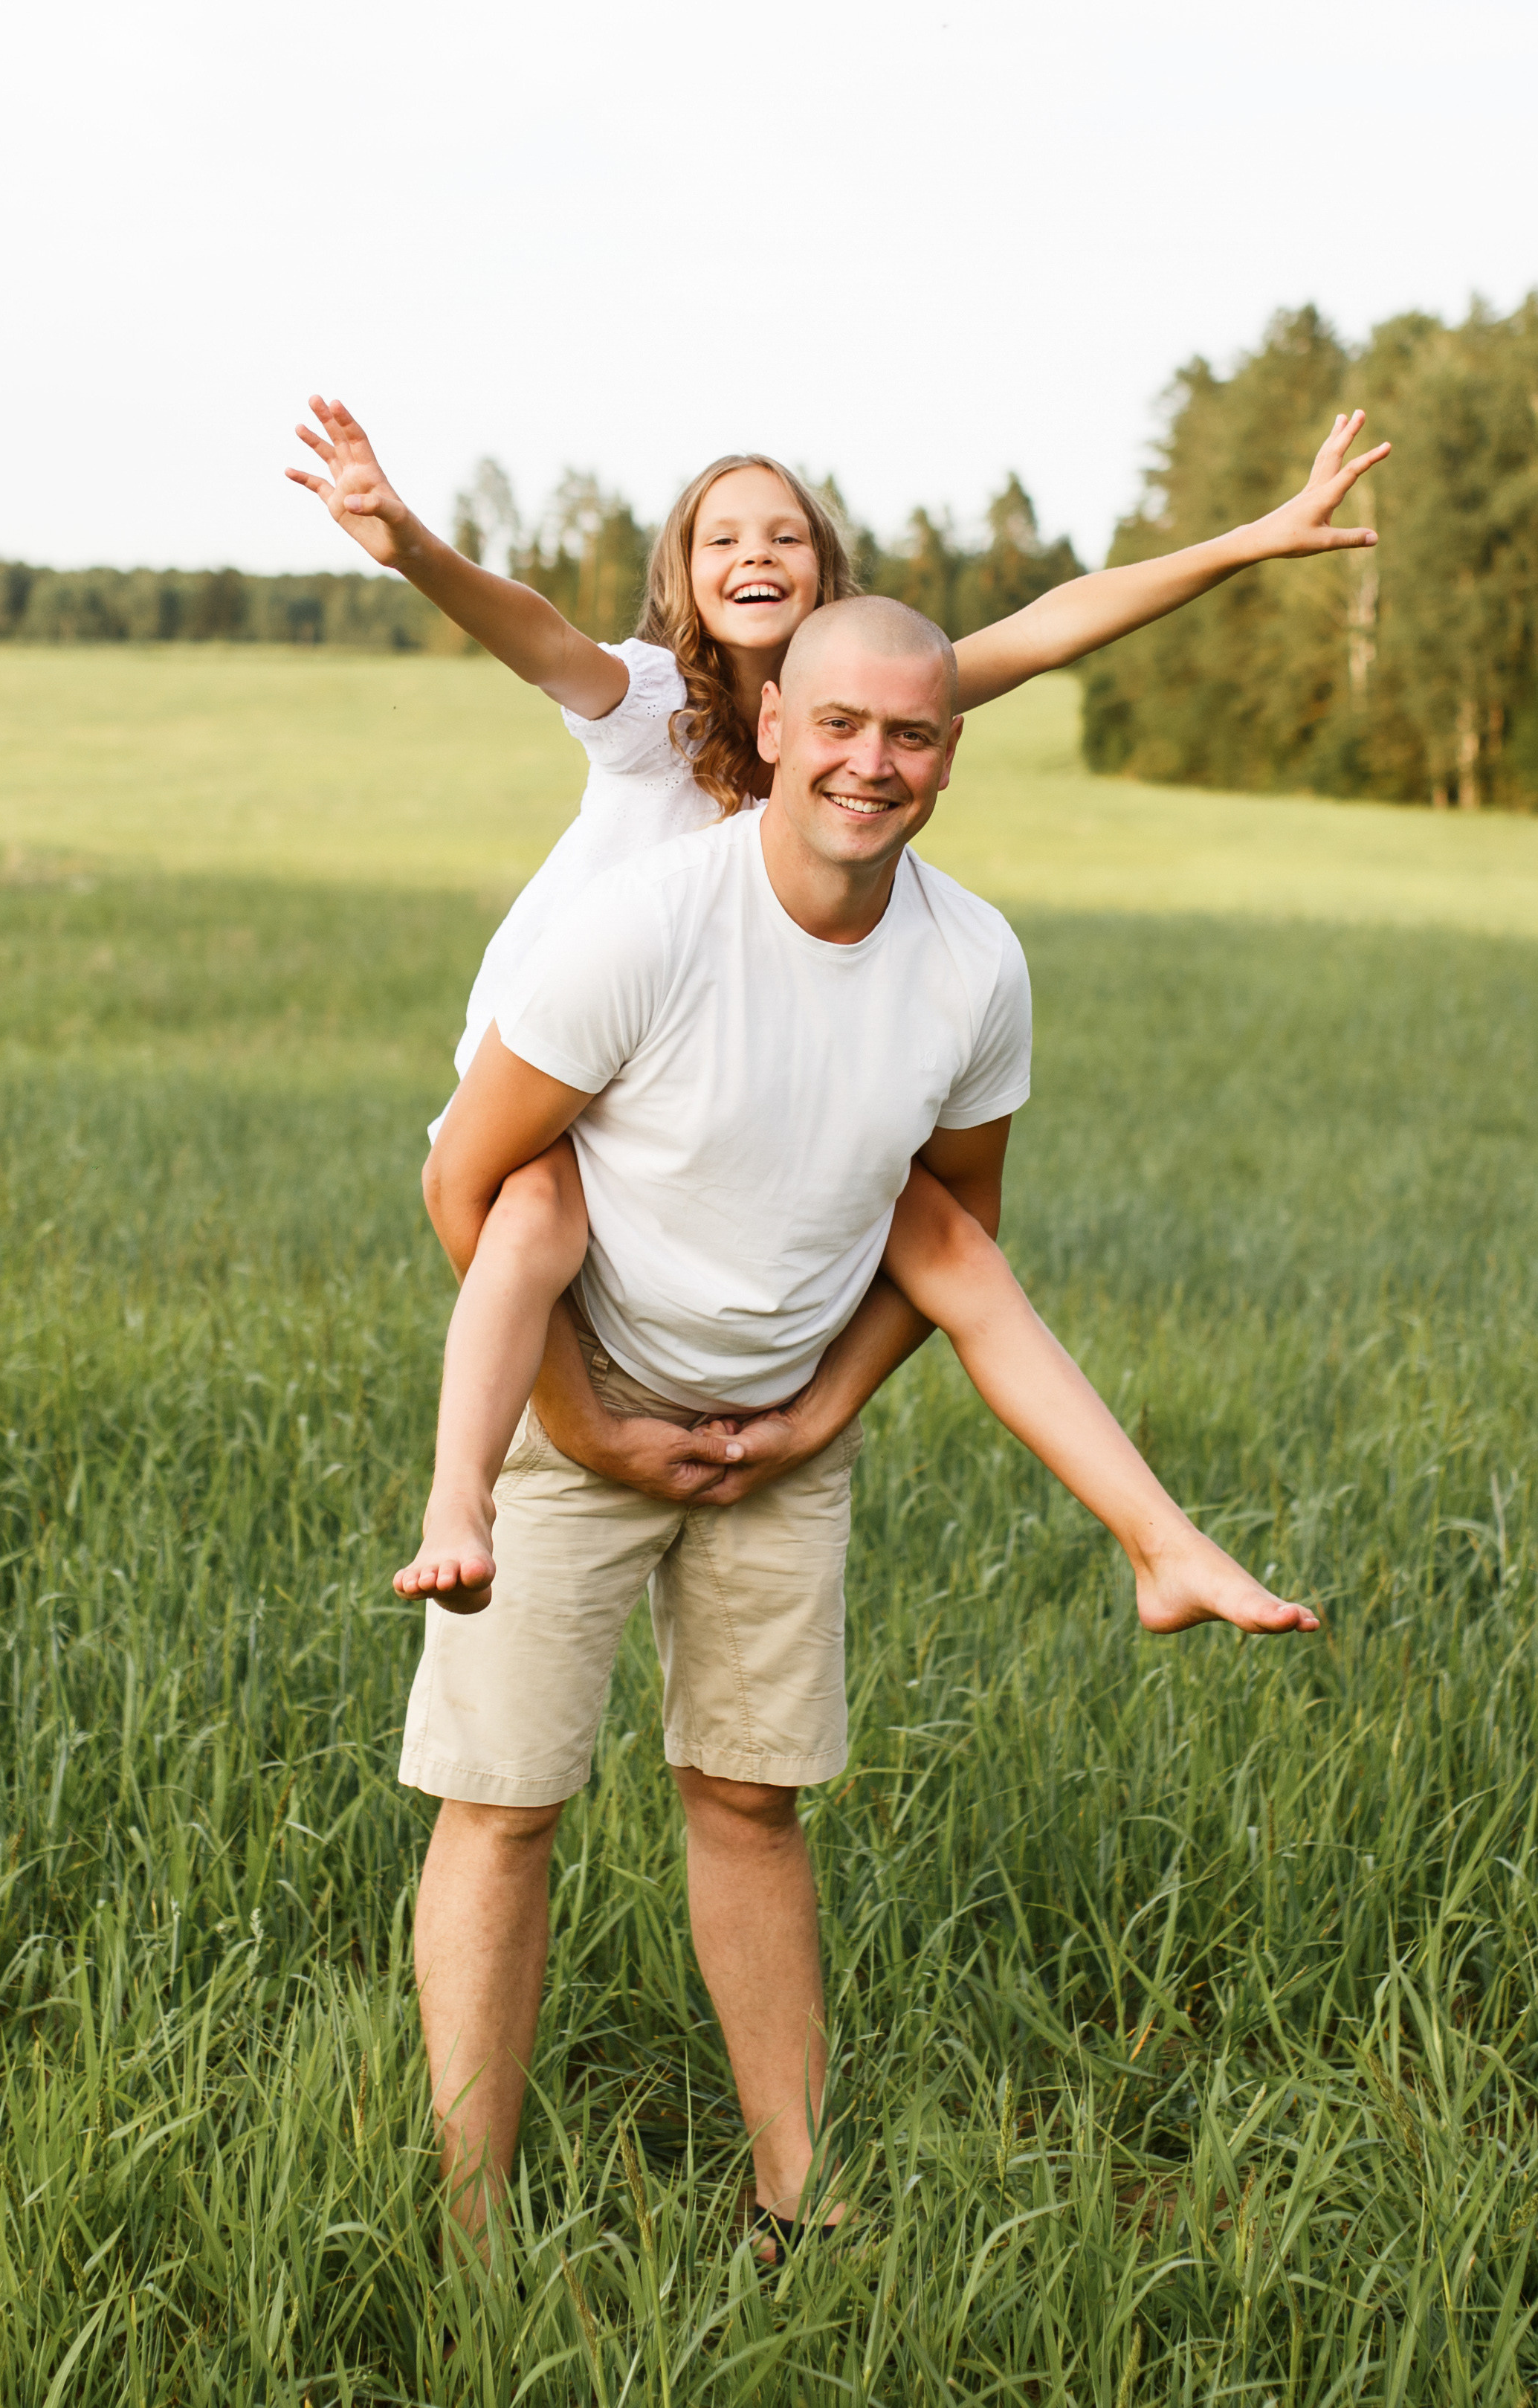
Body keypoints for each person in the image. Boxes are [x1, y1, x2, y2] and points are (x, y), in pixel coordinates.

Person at [401, 595, 1319, 2246]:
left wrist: (821, 1410)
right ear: (770, 729)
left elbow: (950, 1237)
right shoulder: (648, 928)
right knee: (506, 1800)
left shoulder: (973, 963)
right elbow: (467, 1181)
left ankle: (798, 2207)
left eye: (911, 734)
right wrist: (585, 1420)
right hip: (573, 1407)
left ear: (952, 757)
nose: (871, 762)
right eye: (838, 724)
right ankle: (468, 2232)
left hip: (777, 1446)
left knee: (754, 1801)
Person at [287, 401, 1389, 1612]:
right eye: (721, 540)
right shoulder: (648, 699)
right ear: (681, 578)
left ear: (825, 571)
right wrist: (412, 551)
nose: (754, 556)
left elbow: (1055, 621)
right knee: (536, 1212)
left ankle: (1160, 1543)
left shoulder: (870, 698)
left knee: (941, 1232)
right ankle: (462, 1494)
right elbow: (539, 634)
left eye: (783, 538)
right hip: (564, 1073)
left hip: (731, 1072)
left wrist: (1247, 540)